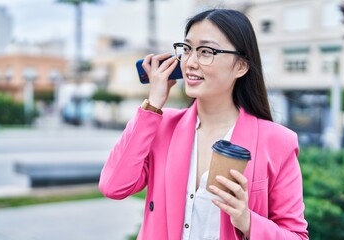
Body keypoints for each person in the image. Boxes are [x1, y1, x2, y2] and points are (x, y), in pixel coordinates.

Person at [99, 8, 308, 240]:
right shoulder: (159, 124)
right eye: (187, 49)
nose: (190, 62)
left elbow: (296, 236)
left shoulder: (277, 141)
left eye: (206, 51)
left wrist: (247, 222)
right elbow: (113, 186)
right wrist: (152, 105)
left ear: (241, 66)